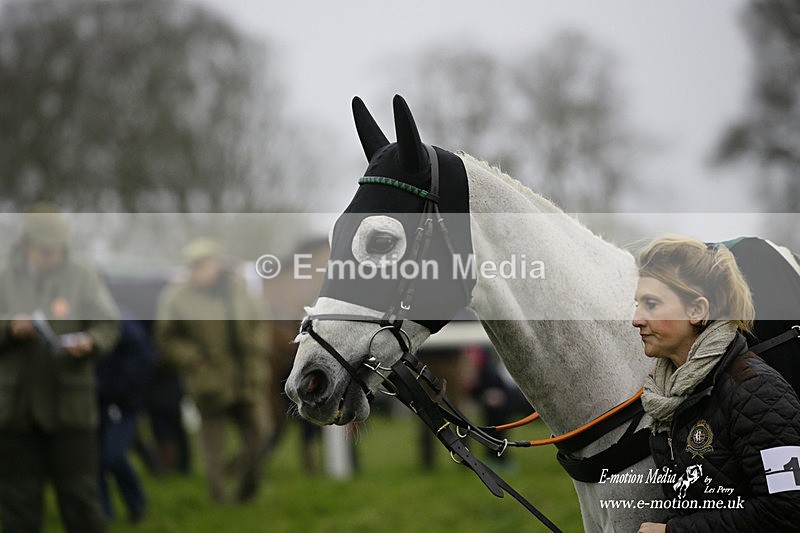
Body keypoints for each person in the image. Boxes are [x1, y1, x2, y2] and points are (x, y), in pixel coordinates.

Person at [632, 235, 800, 533]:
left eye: (652, 304)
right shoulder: (670, 395)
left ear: (697, 310)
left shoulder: (757, 391)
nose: (636, 319)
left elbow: (788, 510)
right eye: (638, 304)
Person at [0, 204, 121, 532]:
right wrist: (9, 329)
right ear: (26, 244)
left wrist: (90, 343)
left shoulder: (83, 273)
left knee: (81, 501)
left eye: (56, 251)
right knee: (17, 507)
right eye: (44, 251)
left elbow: (108, 324)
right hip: (15, 411)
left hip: (71, 410)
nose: (51, 257)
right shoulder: (4, 274)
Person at [154, 237, 270, 503]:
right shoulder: (177, 298)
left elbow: (260, 320)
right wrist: (192, 357)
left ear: (218, 263)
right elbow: (165, 338)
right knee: (213, 447)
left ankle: (246, 489)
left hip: (248, 377)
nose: (197, 271)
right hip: (210, 381)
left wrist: (258, 344)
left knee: (262, 435)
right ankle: (219, 497)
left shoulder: (240, 288)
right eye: (192, 267)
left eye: (202, 265)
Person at [96, 312, 154, 523]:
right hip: (91, 403)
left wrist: (120, 390)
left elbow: (142, 357)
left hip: (122, 403)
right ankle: (103, 513)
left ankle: (137, 503)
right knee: (95, 461)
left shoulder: (121, 321)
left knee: (114, 455)